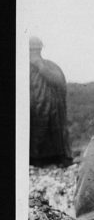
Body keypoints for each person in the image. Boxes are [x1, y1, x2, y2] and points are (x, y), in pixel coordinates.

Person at [29, 36, 72, 167]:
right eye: (31, 50)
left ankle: (57, 158)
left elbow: (58, 81)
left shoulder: (50, 66)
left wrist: (39, 65)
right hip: (33, 114)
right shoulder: (21, 67)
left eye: (36, 50)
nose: (33, 53)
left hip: (52, 116)